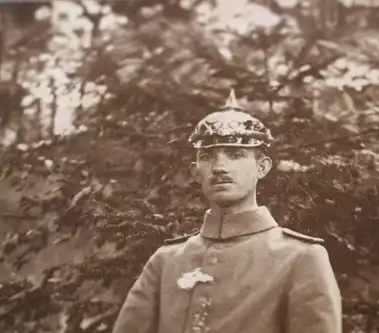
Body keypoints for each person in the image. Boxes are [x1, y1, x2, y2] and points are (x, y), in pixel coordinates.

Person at [112, 90, 342, 333]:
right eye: (208, 156)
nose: (220, 167)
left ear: (262, 167)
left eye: (235, 155)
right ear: (196, 171)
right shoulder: (166, 261)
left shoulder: (299, 258)